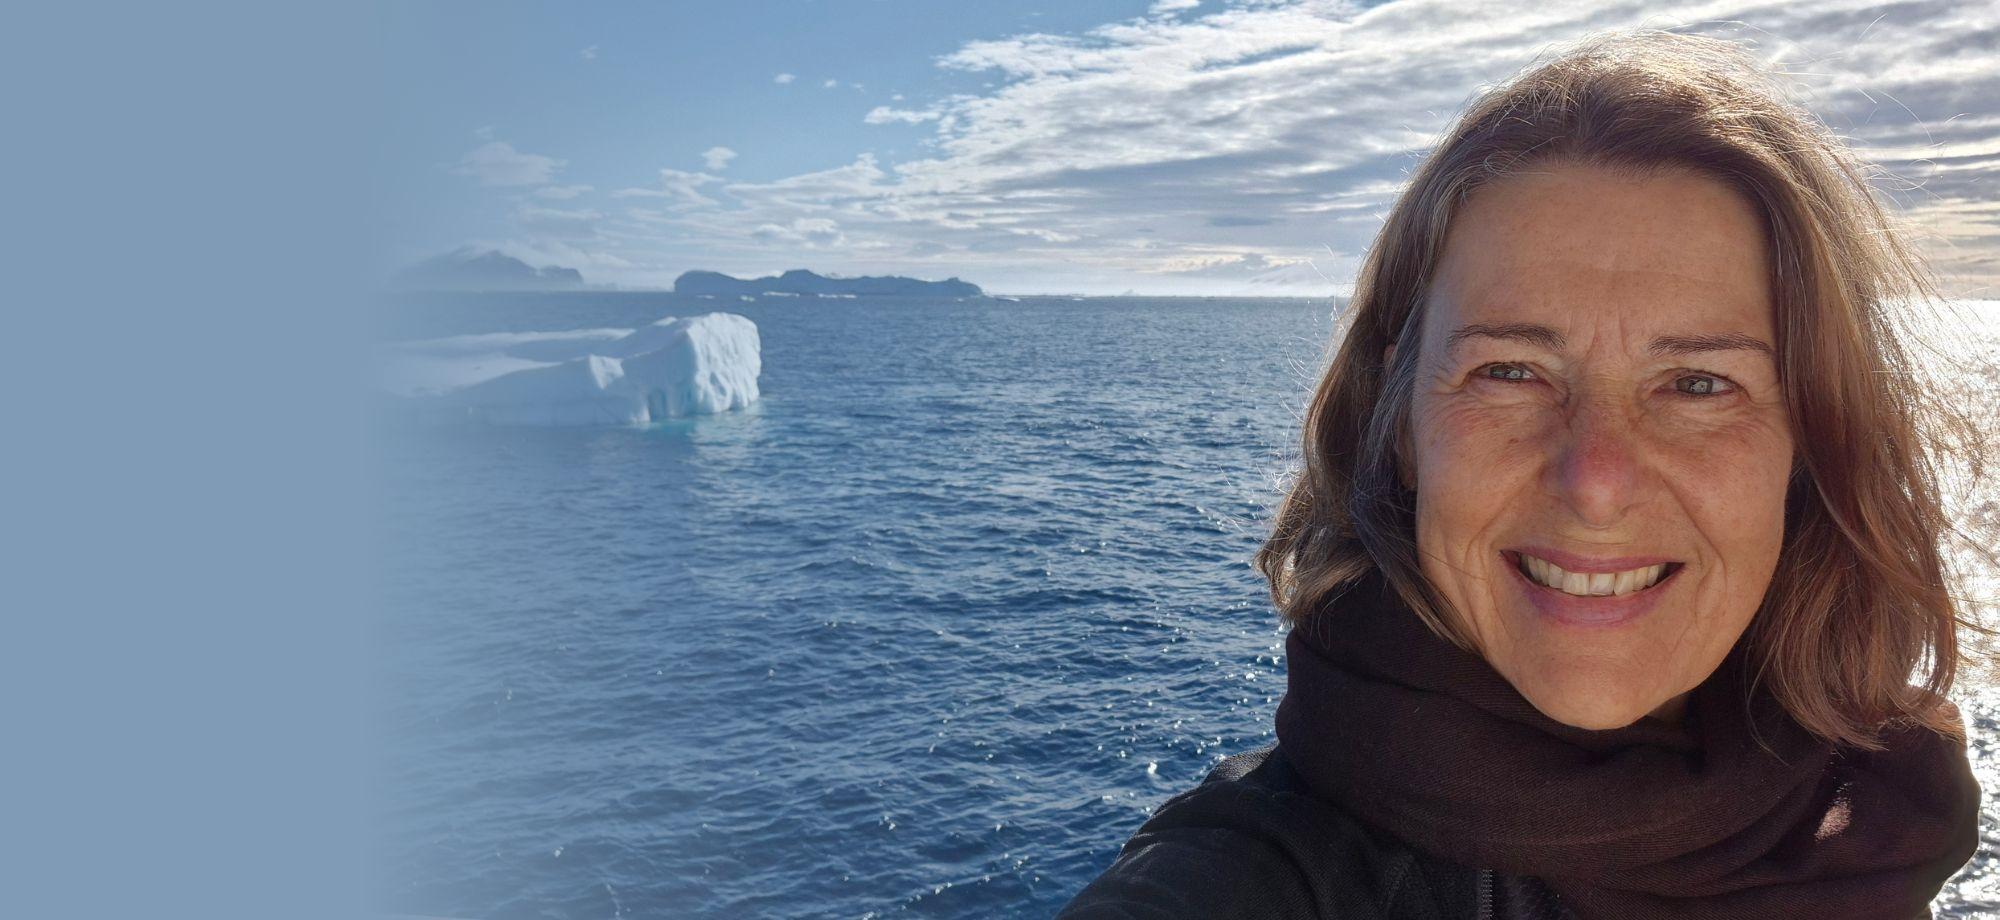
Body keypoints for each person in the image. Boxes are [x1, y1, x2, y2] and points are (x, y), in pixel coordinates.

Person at [1057, 28, 1988, 920]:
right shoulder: (1262, 874)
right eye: (1509, 372)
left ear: (1813, 438)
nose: (1596, 482)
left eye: (1699, 384)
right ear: (1403, 422)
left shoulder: (1884, 811)